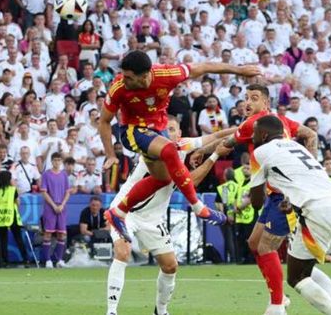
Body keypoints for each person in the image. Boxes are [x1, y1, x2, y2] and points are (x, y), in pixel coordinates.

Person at [102, 51, 259, 241]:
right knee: (170, 149)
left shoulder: (166, 75)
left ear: (144, 75)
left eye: (129, 77)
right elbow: (104, 121)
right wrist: (110, 154)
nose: (123, 79)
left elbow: (204, 67)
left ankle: (118, 212)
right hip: (132, 130)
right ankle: (198, 207)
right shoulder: (118, 86)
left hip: (157, 133)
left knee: (163, 179)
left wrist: (239, 70)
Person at [205, 84, 318, 312]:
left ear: (265, 103)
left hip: (286, 196)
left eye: (254, 98)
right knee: (254, 243)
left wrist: (200, 152)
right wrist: (311, 164)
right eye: (246, 98)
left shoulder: (253, 124)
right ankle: (279, 296)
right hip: (275, 194)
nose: (248, 103)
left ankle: (277, 305)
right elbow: (311, 134)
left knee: (267, 247)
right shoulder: (280, 120)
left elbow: (225, 144)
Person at [106, 118, 232, 315]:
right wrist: (215, 155)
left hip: (153, 219)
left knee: (170, 266)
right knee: (123, 251)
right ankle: (111, 311)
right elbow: (189, 181)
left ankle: (161, 311)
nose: (167, 133)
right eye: (163, 130)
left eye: (171, 129)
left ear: (179, 133)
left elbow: (215, 136)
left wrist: (242, 130)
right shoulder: (153, 152)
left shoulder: (182, 146)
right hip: (125, 213)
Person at [249, 115, 331, 315]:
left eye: (255, 131)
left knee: (296, 277)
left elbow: (256, 202)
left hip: (316, 210)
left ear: (264, 134)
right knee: (306, 268)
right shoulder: (297, 147)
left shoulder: (260, 152)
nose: (252, 135)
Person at [0, 170, 31, 267]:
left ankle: (3, 261)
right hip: (11, 215)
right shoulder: (12, 190)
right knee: (18, 238)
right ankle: (25, 259)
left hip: (0, 216)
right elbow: (17, 203)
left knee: (2, 240)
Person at [40, 153, 72, 268]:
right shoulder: (46, 175)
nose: (57, 162)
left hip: (62, 207)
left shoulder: (64, 175)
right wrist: (54, 205)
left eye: (59, 160)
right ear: (51, 161)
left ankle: (59, 259)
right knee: (48, 233)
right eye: (55, 160)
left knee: (61, 234)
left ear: (61, 162)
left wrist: (62, 204)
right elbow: (44, 192)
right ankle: (48, 260)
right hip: (50, 207)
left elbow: (68, 192)